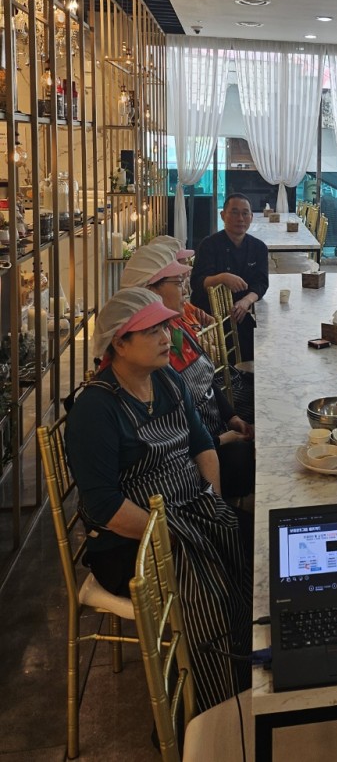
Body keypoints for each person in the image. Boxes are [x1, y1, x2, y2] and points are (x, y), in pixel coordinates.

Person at [65, 287, 251, 708]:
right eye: (153, 331)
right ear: (119, 343)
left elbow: (203, 446)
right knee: (208, 578)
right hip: (128, 543)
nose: (168, 336)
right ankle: (205, 704)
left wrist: (212, 501)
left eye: (165, 326)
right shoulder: (95, 410)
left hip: (190, 511)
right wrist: (173, 534)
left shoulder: (167, 380)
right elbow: (104, 507)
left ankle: (248, 669)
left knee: (253, 545)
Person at [121, 239, 255, 503]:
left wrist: (231, 418)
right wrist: (221, 440)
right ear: (149, 292)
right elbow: (168, 439)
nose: (187, 288)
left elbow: (206, 381)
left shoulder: (175, 327)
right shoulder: (145, 357)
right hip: (188, 465)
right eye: (178, 281)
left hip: (210, 434)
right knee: (250, 457)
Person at [190, 193, 268, 362]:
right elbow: (196, 282)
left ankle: (247, 375)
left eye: (245, 213)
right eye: (234, 212)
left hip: (241, 311)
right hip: (210, 315)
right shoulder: (209, 245)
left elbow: (261, 283)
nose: (240, 218)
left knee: (263, 338)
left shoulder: (259, 247)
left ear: (251, 217)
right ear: (222, 215)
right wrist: (221, 278)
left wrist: (246, 301)